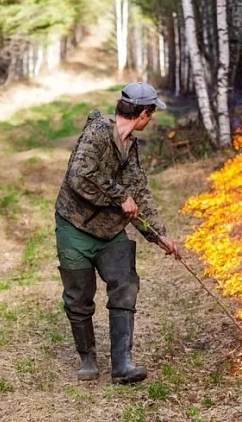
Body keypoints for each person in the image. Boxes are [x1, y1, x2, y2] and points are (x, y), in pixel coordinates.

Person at [54, 82, 179, 384]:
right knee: (79, 297)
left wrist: (158, 235)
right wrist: (119, 196)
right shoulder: (97, 133)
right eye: (151, 114)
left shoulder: (131, 147)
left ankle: (122, 364)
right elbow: (78, 177)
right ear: (143, 114)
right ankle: (87, 356)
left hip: (111, 232)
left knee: (125, 284)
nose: (151, 119)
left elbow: (139, 193)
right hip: (76, 227)